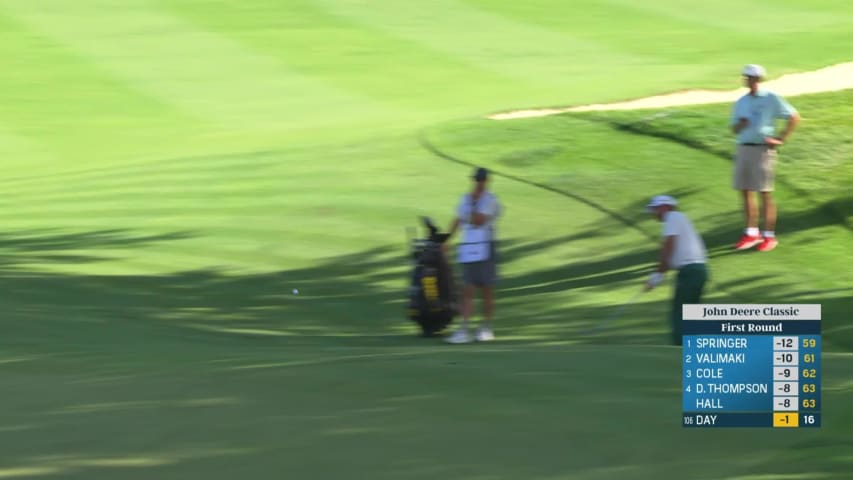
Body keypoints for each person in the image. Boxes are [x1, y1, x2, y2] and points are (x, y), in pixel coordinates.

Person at [730, 64, 800, 252]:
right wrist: (740, 125)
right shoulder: (741, 102)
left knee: (764, 193)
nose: (748, 80)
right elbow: (733, 130)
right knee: (745, 191)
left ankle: (769, 236)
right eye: (746, 77)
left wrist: (780, 139)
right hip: (743, 148)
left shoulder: (771, 98)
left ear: (759, 79)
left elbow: (793, 117)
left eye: (752, 77)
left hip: (762, 150)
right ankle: (751, 232)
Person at [444, 167, 501, 344]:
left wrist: (473, 204)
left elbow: (478, 221)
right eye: (477, 180)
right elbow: (457, 220)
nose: (478, 183)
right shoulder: (465, 199)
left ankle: (486, 328)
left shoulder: (490, 201)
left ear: (486, 181)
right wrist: (446, 240)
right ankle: (464, 329)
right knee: (467, 289)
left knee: (486, 290)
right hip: (468, 248)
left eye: (481, 180)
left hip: (485, 248)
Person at [644, 195, 709, 346]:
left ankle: (679, 350)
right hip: (697, 271)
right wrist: (657, 276)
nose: (654, 214)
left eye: (655, 209)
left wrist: (657, 276)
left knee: (680, 314)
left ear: (665, 207)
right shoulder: (678, 218)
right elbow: (670, 258)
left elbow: (668, 248)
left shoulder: (673, 217)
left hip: (690, 272)